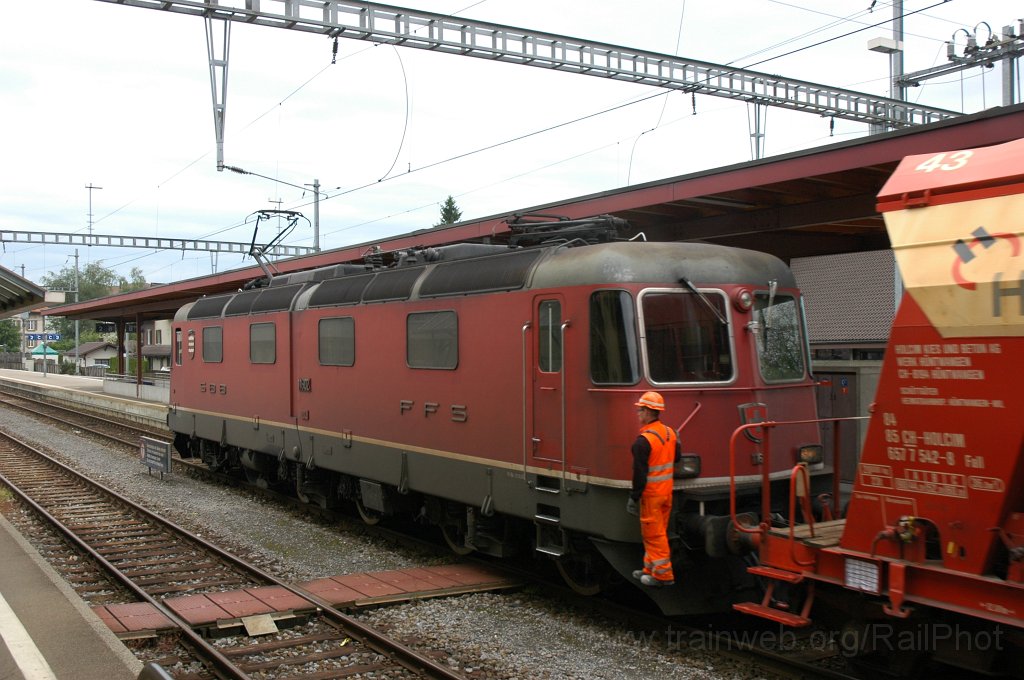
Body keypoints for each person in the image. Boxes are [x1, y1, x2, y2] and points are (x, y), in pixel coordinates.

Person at [625, 391, 677, 587]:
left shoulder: (643, 441)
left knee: (653, 535)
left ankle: (663, 576)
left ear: (648, 412)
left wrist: (634, 497)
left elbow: (639, 474)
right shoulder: (670, 433)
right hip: (667, 494)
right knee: (658, 533)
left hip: (652, 496)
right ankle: (649, 568)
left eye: (640, 411)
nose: (638, 414)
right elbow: (677, 457)